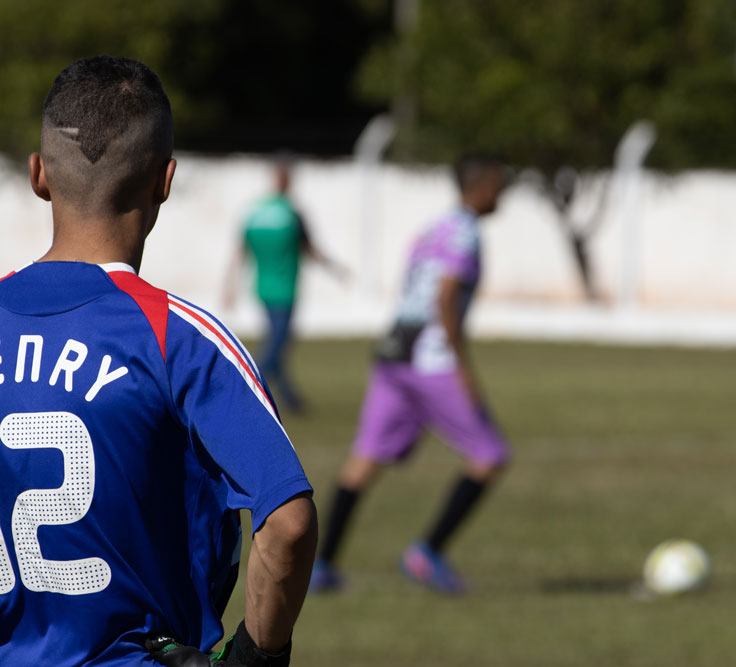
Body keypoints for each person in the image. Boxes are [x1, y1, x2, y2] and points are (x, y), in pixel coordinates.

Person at [0, 56, 317, 666]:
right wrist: (256, 656)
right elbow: (288, 522)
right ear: (164, 181)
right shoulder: (180, 337)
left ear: (38, 176)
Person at [310, 153, 510, 595]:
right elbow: (445, 294)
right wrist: (462, 365)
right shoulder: (466, 234)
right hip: (430, 359)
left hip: (394, 353)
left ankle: (321, 565)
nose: (504, 190)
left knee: (364, 461)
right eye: (499, 182)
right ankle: (427, 553)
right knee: (490, 455)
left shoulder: (434, 228)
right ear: (480, 185)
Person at [225, 160, 349, 412]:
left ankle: (292, 400)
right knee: (277, 345)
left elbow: (240, 251)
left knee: (277, 342)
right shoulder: (292, 213)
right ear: (288, 181)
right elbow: (310, 248)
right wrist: (335, 268)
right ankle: (244, 388)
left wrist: (230, 286)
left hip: (262, 289)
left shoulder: (256, 212)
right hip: (285, 289)